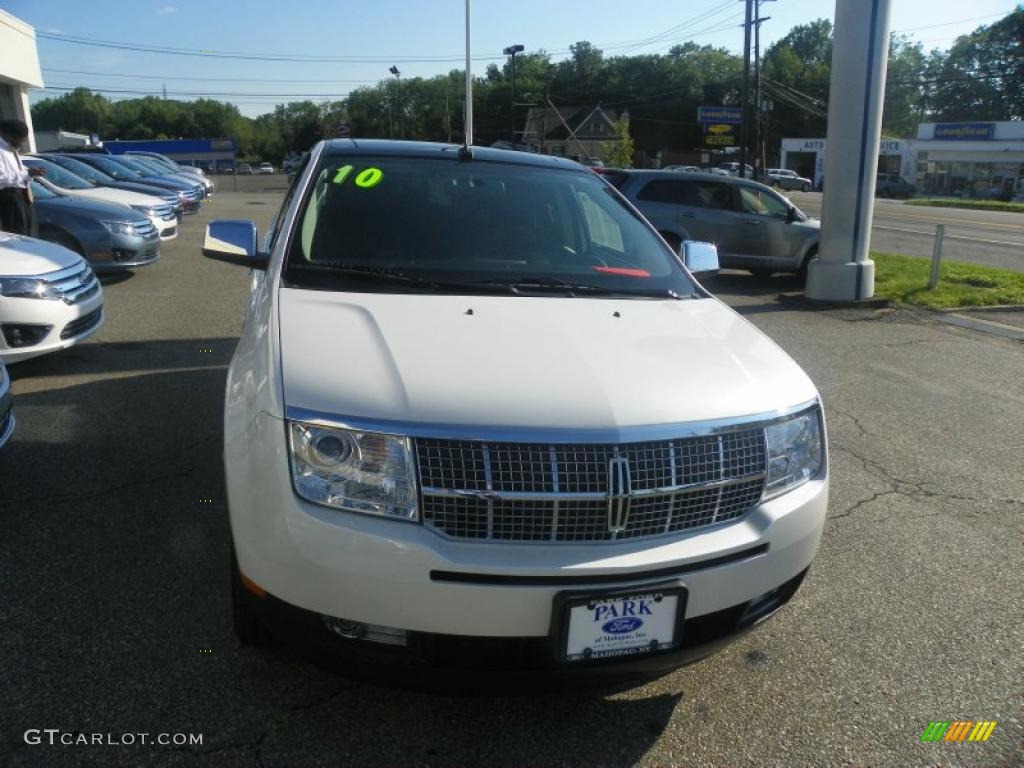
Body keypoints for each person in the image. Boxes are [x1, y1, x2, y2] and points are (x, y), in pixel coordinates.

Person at [0, 119, 44, 235]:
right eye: (19, 140)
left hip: (23, 197)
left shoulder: (12, 149)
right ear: (6, 135)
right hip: (10, 199)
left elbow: (19, 172)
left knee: (30, 234)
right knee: (18, 235)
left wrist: (30, 173)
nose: (21, 144)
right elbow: (1, 178)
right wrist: (26, 174)